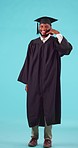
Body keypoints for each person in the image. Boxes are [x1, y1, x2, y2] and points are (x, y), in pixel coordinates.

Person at [18, 16, 72, 147]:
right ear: (38, 27)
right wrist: (27, 82)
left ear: (50, 28)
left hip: (50, 81)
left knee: (49, 108)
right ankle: (34, 137)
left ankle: (48, 139)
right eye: (41, 26)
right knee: (33, 107)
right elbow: (28, 62)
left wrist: (59, 34)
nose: (43, 29)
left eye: (46, 26)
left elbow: (67, 49)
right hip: (34, 81)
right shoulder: (33, 43)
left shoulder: (55, 43)